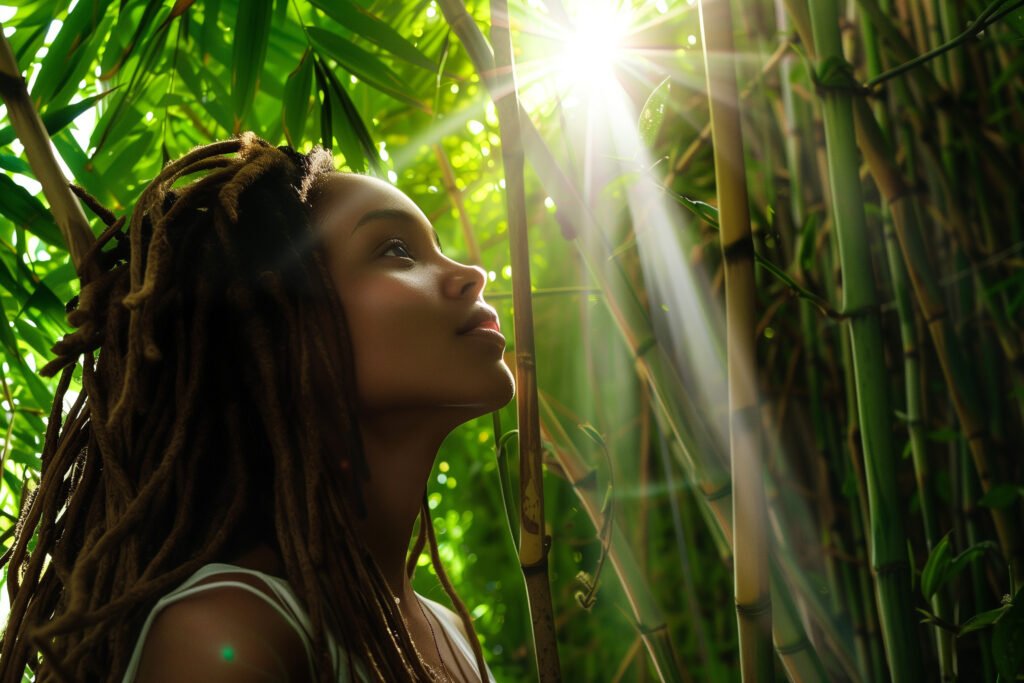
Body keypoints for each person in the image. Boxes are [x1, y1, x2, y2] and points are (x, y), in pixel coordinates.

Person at [0, 133, 514, 682]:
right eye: (396, 250)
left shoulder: (452, 635)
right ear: (280, 328)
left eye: (436, 247)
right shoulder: (229, 633)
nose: (472, 274)